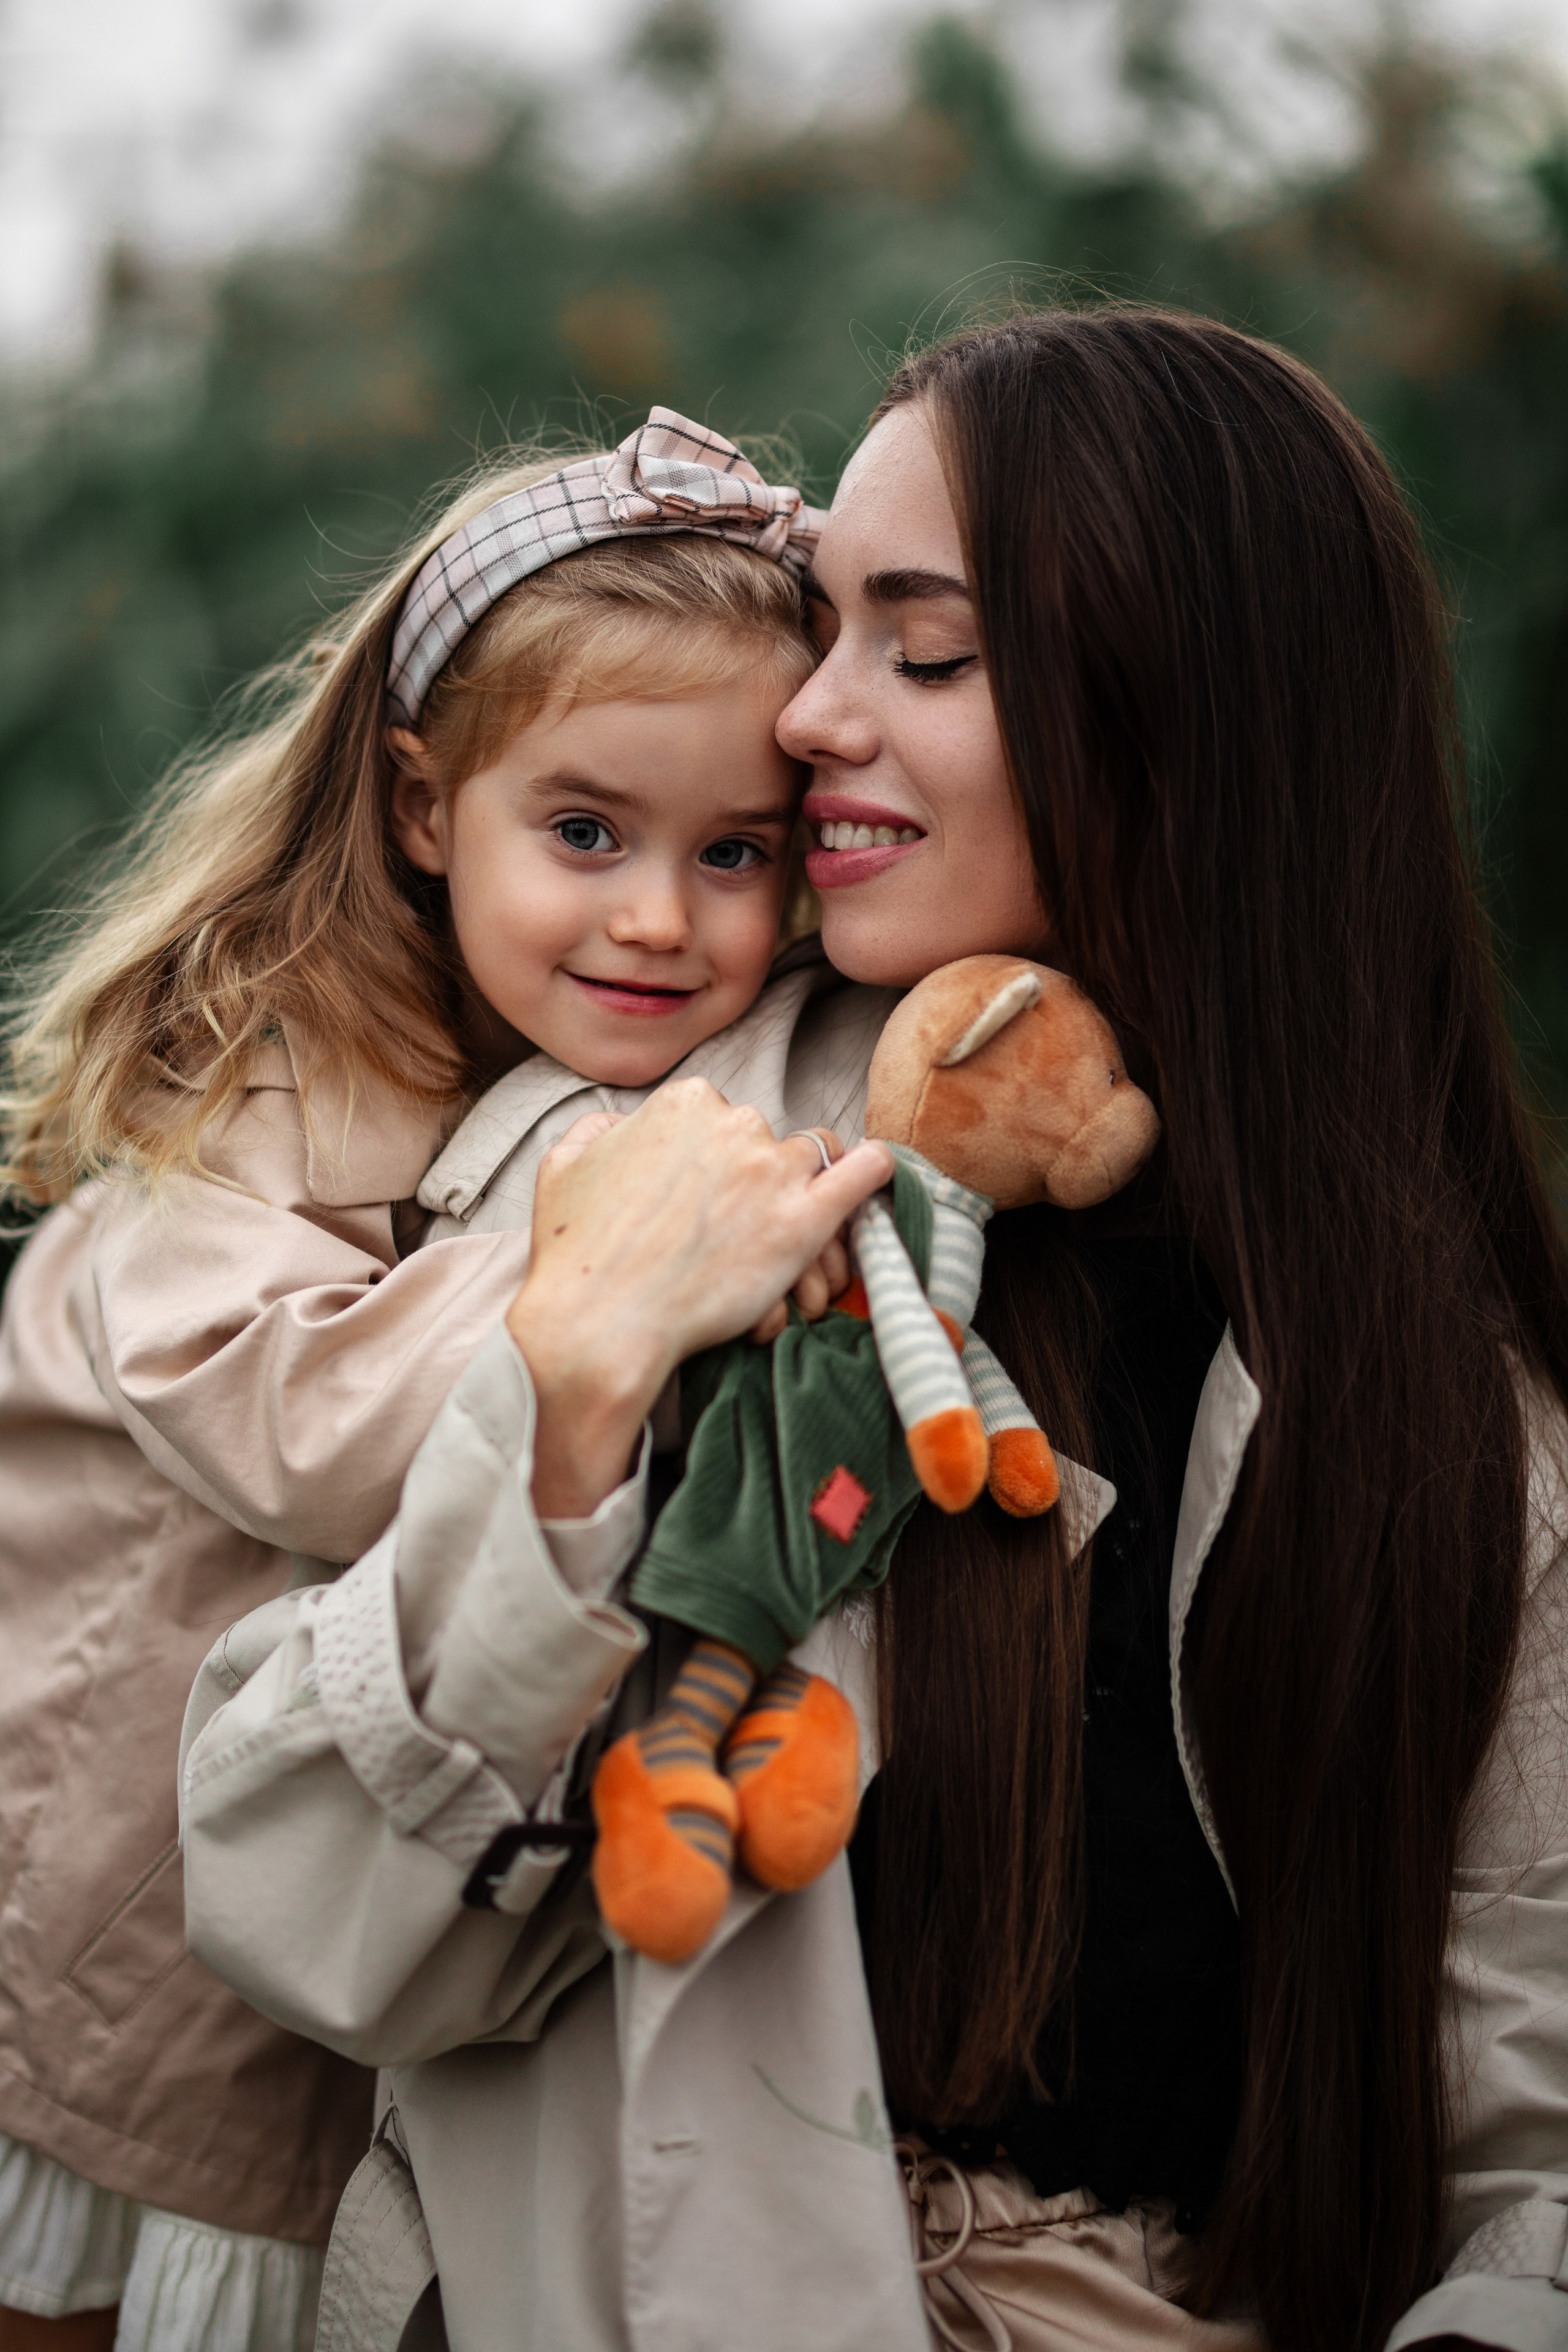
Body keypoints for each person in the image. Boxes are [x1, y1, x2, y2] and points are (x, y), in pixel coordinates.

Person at [181, 309, 1568, 2352]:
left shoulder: (1455, 1417)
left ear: (1189, 718)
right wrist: (565, 1425)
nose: (810, 719)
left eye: (923, 652)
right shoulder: (667, 1160)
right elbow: (301, 1918)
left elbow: (1528, 2158)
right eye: (826, 630)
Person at [0, 408, 875, 2352]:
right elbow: (291, 1424)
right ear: (421, 806)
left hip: (408, 1884)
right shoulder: (268, 1056)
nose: (659, 914)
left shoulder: (662, 1054)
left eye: (735, 853)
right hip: (143, 1930)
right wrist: (613, 1261)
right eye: (586, 833)